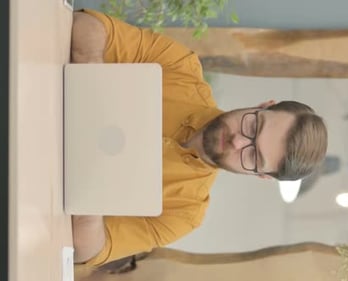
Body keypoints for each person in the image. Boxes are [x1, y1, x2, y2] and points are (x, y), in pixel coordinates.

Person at [71, 9, 328, 266]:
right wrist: (93, 89)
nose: (238, 141)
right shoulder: (180, 66)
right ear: (263, 105)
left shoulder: (183, 212)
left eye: (253, 155)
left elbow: (87, 249)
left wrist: (94, 185)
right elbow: (88, 25)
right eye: (253, 126)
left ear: (260, 175)